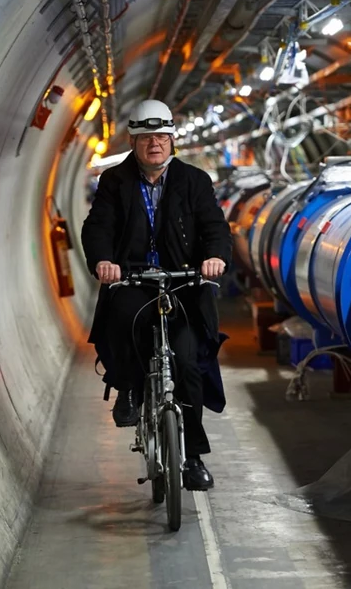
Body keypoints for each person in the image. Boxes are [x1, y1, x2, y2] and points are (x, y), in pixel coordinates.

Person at [81, 99, 232, 491]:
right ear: (134, 142)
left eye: (162, 136)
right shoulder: (115, 182)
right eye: (147, 137)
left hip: (182, 281)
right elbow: (98, 226)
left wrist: (214, 256)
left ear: (172, 140)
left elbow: (214, 225)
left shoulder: (194, 182)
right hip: (133, 277)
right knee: (125, 323)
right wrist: (103, 261)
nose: (155, 144)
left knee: (187, 364)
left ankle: (193, 458)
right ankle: (129, 387)